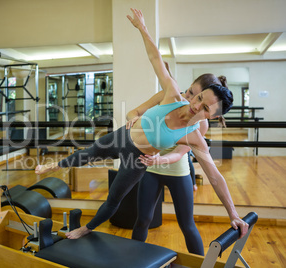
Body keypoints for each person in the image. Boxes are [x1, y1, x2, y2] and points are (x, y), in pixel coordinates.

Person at [35, 8, 248, 240]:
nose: (196, 106)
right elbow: (155, 58)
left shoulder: (193, 137)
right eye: (199, 98)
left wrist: (233, 213)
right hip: (122, 136)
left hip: (136, 160)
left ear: (213, 117)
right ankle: (54, 165)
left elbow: (216, 178)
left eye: (205, 108)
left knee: (114, 199)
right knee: (87, 153)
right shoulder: (172, 96)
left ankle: (85, 229)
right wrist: (143, 29)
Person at [127, 73, 228, 256]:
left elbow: (179, 153)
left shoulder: (200, 124)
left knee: (187, 225)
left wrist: (160, 159)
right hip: (151, 168)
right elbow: (134, 112)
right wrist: (133, 120)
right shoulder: (168, 96)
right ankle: (133, 261)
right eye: (190, 93)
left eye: (197, 98)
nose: (190, 101)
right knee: (143, 219)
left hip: (177, 171)